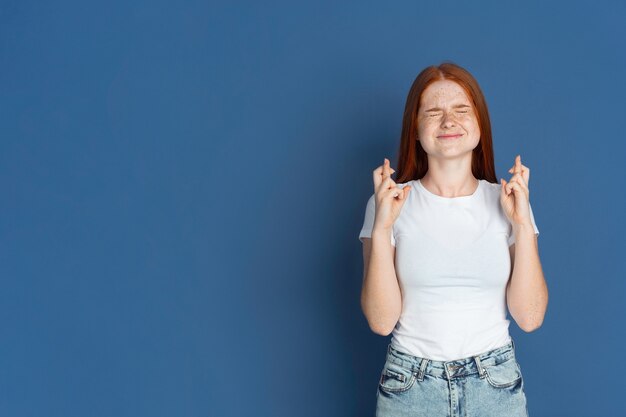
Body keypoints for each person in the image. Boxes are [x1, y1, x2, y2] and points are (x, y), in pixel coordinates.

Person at [358, 62, 548, 417]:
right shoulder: (388, 203)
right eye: (433, 112)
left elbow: (530, 316)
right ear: (415, 129)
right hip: (410, 387)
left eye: (461, 110)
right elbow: (381, 321)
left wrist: (522, 225)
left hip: (494, 385)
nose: (448, 121)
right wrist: (382, 228)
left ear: (479, 124)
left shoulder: (508, 201)